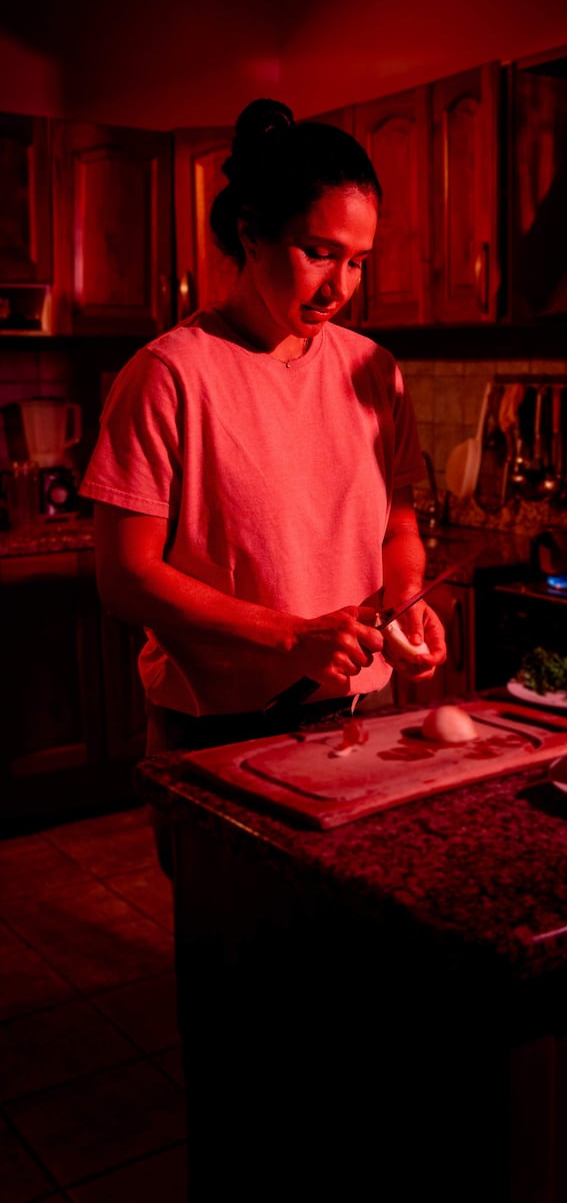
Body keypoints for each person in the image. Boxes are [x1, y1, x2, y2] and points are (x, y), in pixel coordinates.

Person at [80, 98, 446, 863]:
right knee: (241, 960)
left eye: (358, 261)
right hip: (218, 731)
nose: (339, 286)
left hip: (357, 717)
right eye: (319, 252)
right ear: (250, 233)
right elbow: (123, 576)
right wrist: (289, 633)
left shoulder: (375, 371)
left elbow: (398, 530)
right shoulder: (168, 375)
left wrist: (406, 607)